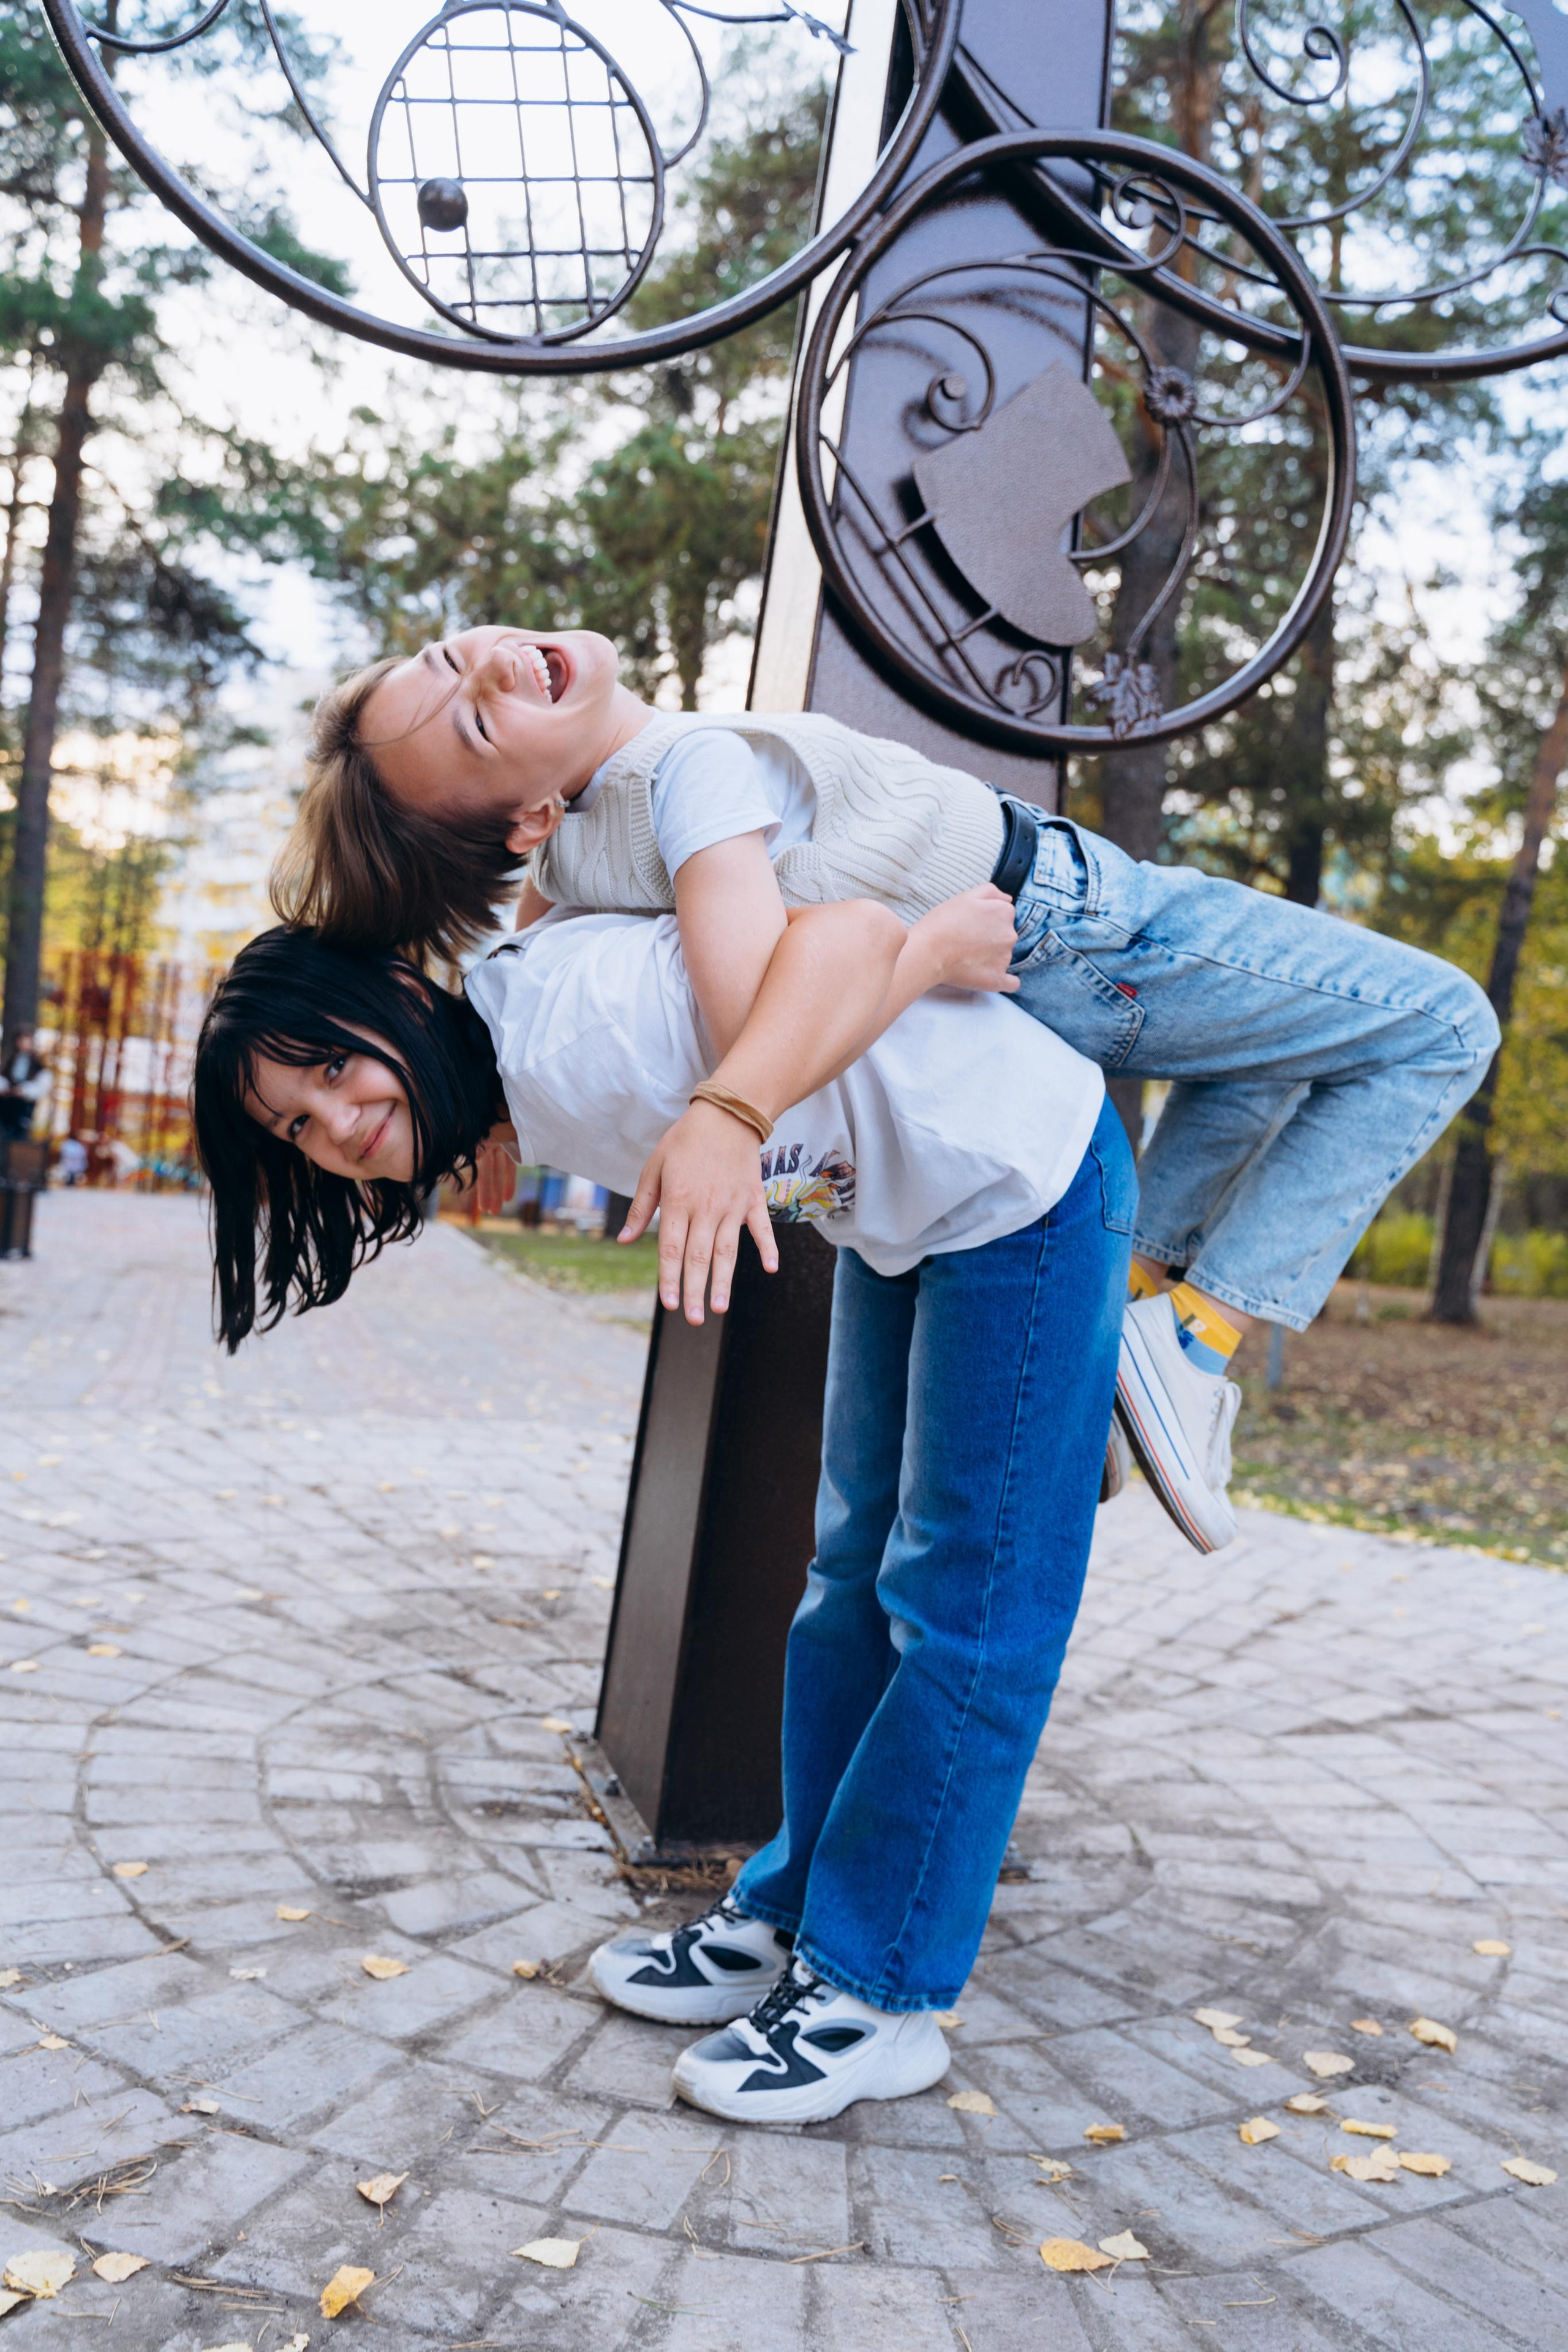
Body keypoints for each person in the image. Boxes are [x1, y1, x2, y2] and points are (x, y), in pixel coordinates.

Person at [192, 888, 1132, 2123]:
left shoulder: (573, 1040)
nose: (337, 1123)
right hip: (907, 1213)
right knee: (851, 1577)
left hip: (1019, 1180)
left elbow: (822, 939)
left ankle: (882, 1989)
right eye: (297, 1125)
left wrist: (913, 961)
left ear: (404, 999)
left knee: (972, 1606)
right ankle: (797, 1910)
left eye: (330, 1068)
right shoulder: (523, 1067)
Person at [271, 627, 1499, 1553]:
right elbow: (752, 1024)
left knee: (1280, 1053)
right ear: (528, 813)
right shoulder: (691, 773)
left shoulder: (576, 848)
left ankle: (1130, 1315)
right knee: (1442, 1025)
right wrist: (896, 976)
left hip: (1043, 958)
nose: (489, 671)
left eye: (451, 657)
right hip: (1070, 923)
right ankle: (1191, 1338)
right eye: (476, 727)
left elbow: (527, 956)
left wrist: (476, 1120)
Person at [0, 1029, 50, 1141]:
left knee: (17, 1136)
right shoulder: (9, 1060)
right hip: (5, 1103)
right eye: (21, 1041)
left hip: (23, 1107)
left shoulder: (38, 1065)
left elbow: (42, 1086)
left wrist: (24, 1090)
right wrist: (5, 1088)